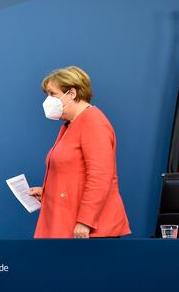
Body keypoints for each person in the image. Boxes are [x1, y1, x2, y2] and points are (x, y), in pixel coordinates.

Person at [28, 66, 130, 238]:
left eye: (52, 94)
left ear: (72, 94)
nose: (48, 100)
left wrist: (85, 221)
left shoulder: (93, 123)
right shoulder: (72, 125)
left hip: (88, 230)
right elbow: (73, 174)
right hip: (65, 222)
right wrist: (48, 191)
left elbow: (100, 176)